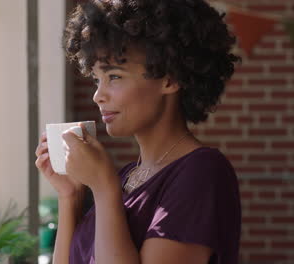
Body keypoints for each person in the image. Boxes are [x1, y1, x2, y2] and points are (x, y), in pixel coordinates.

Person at [35, 0, 242, 263]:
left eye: (115, 77)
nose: (98, 96)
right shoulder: (127, 177)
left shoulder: (203, 172)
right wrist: (70, 195)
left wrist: (103, 186)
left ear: (170, 79)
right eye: (97, 79)